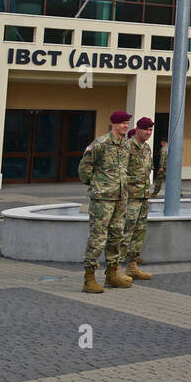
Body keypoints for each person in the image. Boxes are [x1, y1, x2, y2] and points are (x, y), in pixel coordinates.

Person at [78, 112, 133, 292]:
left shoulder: (125, 144)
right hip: (103, 198)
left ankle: (112, 274)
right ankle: (89, 278)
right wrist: (97, 185)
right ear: (113, 124)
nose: (126, 126)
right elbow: (84, 169)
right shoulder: (100, 144)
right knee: (98, 237)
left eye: (127, 123)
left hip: (120, 197)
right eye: (123, 123)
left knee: (117, 236)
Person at [120, 116, 155, 279]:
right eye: (146, 129)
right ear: (138, 129)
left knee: (139, 231)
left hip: (143, 197)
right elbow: (119, 173)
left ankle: (132, 265)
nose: (148, 133)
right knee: (125, 231)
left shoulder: (147, 148)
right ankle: (116, 269)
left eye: (150, 130)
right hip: (129, 197)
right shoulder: (126, 147)